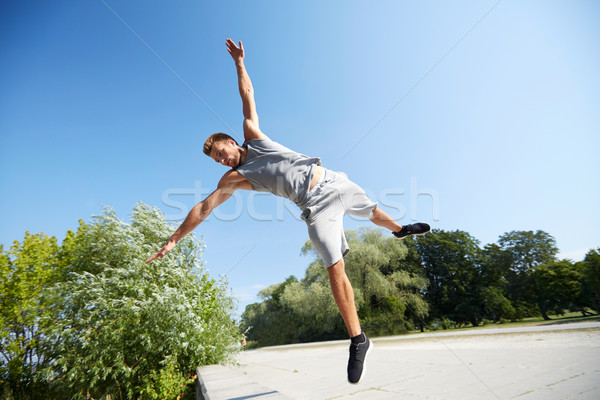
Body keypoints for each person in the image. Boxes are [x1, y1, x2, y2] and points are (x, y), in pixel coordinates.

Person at [146, 38, 430, 384]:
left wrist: (239, 63)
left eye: (222, 151)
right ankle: (358, 339)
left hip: (332, 181)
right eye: (217, 159)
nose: (222, 159)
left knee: (372, 211)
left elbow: (247, 96)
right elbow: (204, 207)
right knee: (333, 267)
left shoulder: (253, 135)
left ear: (233, 142)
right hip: (314, 207)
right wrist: (174, 239)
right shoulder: (234, 179)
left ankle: (400, 231)